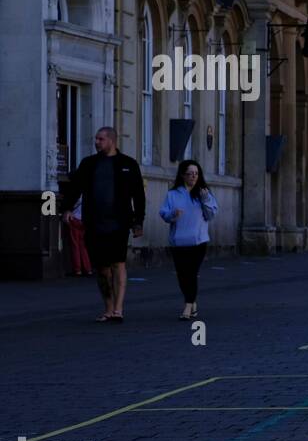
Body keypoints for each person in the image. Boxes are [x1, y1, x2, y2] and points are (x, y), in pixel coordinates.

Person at [62, 126, 146, 323]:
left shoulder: (128, 164)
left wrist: (138, 221)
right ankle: (108, 307)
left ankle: (118, 309)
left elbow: (138, 195)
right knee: (101, 268)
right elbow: (76, 188)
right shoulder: (89, 164)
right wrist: (67, 209)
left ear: (111, 141)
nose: (96, 142)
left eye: (100, 139)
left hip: (119, 222)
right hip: (94, 222)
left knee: (118, 263)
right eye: (96, 139)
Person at [159, 160, 218, 320]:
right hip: (178, 241)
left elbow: (210, 215)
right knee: (182, 275)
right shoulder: (173, 194)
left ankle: (187, 305)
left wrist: (206, 201)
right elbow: (163, 213)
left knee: (192, 273)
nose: (193, 176)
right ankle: (192, 303)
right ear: (182, 175)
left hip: (198, 241)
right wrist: (172, 214)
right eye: (190, 173)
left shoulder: (204, 193)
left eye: (196, 173)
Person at [65, 196, 92, 277]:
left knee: (75, 245)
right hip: (84, 221)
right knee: (83, 246)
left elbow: (71, 206)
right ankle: (88, 269)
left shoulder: (77, 196)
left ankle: (78, 270)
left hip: (75, 219)